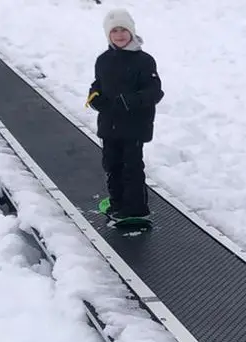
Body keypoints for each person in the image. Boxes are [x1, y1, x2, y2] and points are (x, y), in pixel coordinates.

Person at [85, 8, 164, 220]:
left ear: (131, 32)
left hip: (134, 125)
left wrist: (130, 101)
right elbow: (98, 83)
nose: (119, 35)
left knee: (131, 167)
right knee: (111, 165)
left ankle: (136, 207)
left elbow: (154, 91)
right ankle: (117, 201)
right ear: (108, 35)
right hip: (109, 124)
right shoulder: (103, 60)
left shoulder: (144, 61)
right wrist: (94, 96)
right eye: (114, 31)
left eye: (123, 30)